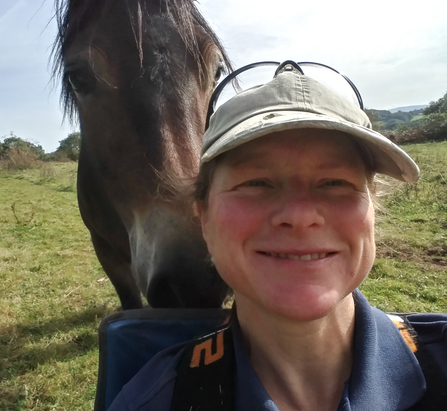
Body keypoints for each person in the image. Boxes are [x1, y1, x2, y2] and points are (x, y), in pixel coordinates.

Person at [108, 61, 447, 411]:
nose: (300, 216)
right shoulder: (153, 401)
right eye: (256, 183)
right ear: (204, 217)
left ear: (371, 208)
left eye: (335, 183)